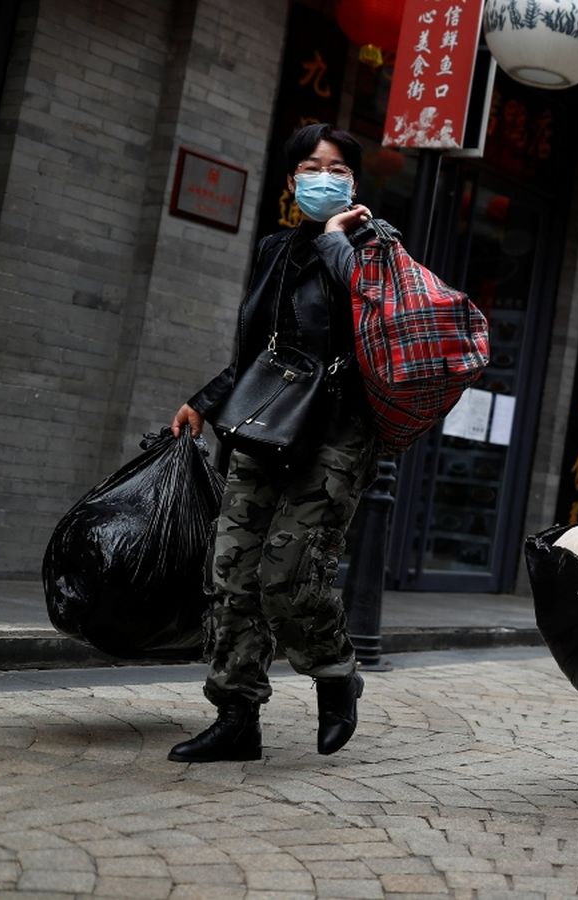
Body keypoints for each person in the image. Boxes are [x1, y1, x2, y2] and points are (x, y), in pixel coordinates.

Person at [165, 123, 382, 763]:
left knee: (288, 577)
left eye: (338, 168)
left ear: (353, 183)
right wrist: (204, 402)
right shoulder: (273, 250)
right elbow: (263, 352)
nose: (325, 177)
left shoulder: (372, 245)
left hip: (335, 433)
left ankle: (337, 673)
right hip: (266, 423)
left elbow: (374, 312)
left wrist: (340, 240)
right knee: (230, 571)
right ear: (291, 182)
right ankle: (236, 717)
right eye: (311, 167)